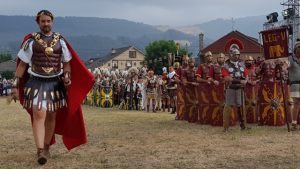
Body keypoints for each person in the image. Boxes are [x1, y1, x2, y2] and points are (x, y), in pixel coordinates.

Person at [11, 10, 94, 165]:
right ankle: (40, 150)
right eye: (43, 21)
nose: (46, 24)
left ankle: (47, 147)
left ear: (52, 21)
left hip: (55, 83)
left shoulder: (60, 41)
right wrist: (15, 85)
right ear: (38, 22)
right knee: (39, 114)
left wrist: (67, 76)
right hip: (35, 82)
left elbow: (67, 62)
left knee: (51, 115)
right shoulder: (30, 41)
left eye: (48, 21)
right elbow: (22, 64)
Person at [222, 48, 250, 132]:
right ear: (231, 55)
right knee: (228, 107)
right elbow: (227, 78)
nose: (237, 56)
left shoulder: (242, 64)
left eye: (238, 54)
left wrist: (245, 81)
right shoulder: (226, 65)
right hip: (230, 88)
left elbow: (246, 74)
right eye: (235, 54)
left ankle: (243, 126)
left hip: (240, 88)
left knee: (241, 107)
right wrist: (239, 81)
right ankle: (226, 127)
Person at [288, 40, 300, 131]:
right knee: (296, 103)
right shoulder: (291, 58)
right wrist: (283, 66)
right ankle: (294, 123)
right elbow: (287, 65)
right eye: (298, 48)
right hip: (295, 84)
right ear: (295, 49)